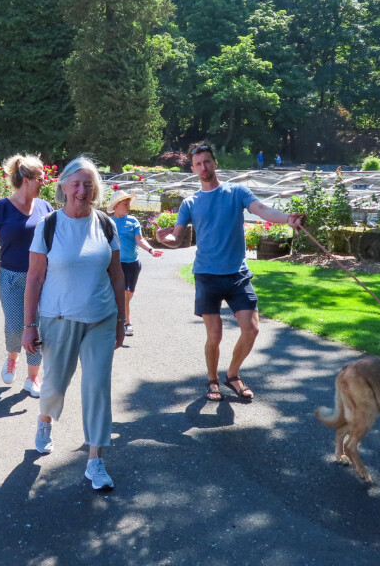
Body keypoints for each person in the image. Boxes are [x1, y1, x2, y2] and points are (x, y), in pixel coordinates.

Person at [157, 144, 304, 403]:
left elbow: (262, 210)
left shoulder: (236, 192)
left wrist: (287, 219)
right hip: (206, 275)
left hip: (237, 274)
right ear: (193, 169)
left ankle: (232, 375)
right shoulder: (190, 202)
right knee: (214, 335)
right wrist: (166, 239)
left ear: (215, 163)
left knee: (252, 329)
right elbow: (177, 237)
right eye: (199, 164)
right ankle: (212, 380)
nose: (204, 167)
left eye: (207, 162)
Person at [22, 157, 125, 492]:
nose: (82, 190)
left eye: (88, 184)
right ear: (63, 186)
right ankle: (44, 420)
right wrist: (28, 325)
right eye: (76, 184)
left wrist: (123, 319)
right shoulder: (49, 226)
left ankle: (95, 460)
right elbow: (35, 278)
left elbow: (117, 274)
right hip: (59, 318)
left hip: (101, 319)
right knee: (54, 385)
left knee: (97, 388)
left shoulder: (106, 224)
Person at [0, 154, 53, 397]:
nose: (44, 182)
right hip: (11, 277)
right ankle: (12, 357)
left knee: (38, 327)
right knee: (15, 327)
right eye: (40, 178)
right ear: (25, 179)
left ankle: (33, 378)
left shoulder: (45, 207)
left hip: (42, 278)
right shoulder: (0, 208)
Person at [105, 190, 162, 337]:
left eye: (128, 203)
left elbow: (140, 239)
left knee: (129, 293)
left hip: (133, 263)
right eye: (125, 204)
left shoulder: (133, 221)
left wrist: (151, 250)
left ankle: (118, 315)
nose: (128, 206)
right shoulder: (108, 222)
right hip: (117, 264)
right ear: (116, 205)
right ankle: (126, 322)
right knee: (123, 293)